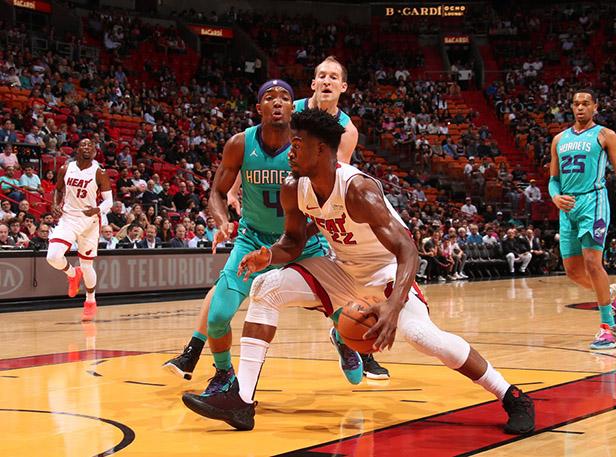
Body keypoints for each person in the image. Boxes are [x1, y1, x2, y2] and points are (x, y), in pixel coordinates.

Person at [181, 108, 535, 434]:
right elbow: (293, 241)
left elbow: (407, 251)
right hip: (343, 271)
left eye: (298, 145)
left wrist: (393, 305)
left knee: (423, 338)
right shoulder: (294, 187)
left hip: (387, 273)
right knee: (266, 287)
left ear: (321, 149)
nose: (290, 152)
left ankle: (511, 395)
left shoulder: (359, 190)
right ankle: (241, 401)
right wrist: (268, 256)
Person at [164, 80, 365, 394]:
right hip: (253, 240)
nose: (277, 102)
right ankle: (223, 374)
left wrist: (306, 233)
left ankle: (343, 339)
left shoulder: (307, 147)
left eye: (285, 97)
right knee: (218, 316)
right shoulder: (240, 143)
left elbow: (327, 198)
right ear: (259, 108)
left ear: (293, 108)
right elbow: (217, 192)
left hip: (302, 242)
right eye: (269, 97)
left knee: (347, 316)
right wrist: (222, 221)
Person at [225, 56, 389, 379]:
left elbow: (333, 180)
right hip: (272, 207)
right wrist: (233, 188)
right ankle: (201, 354)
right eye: (322, 76)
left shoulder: (347, 130)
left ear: (343, 87)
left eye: (333, 77)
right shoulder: (290, 109)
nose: (327, 81)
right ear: (313, 83)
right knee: (253, 288)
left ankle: (350, 340)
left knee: (336, 285)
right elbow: (254, 147)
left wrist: (316, 218)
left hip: (309, 207)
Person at [549, 89, 616, 350]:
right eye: (576, 103)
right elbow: (553, 180)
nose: (580, 107)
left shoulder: (605, 135)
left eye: (585, 103)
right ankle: (608, 295)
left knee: (591, 262)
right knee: (573, 271)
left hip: (593, 201)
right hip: (567, 206)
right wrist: (555, 197)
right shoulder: (559, 139)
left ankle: (608, 328)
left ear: (595, 107)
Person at [46, 139, 112, 321]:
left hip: (90, 221)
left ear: (95, 152)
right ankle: (72, 273)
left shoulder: (99, 172)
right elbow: (58, 190)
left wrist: (97, 209)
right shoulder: (66, 168)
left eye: (90, 146)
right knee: (53, 257)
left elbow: (109, 201)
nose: (87, 147)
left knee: (87, 265)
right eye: (83, 145)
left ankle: (90, 301)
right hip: (69, 218)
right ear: (77, 150)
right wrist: (55, 204)